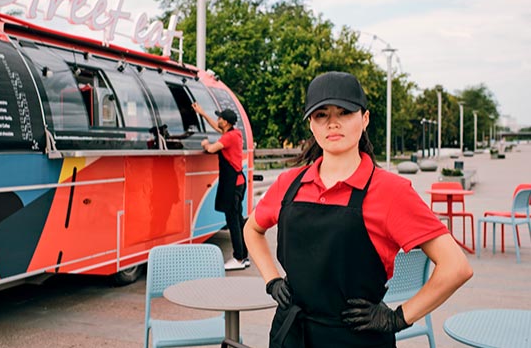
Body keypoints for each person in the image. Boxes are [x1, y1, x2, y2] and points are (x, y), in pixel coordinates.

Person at [243, 71, 473, 347]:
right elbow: (252, 229)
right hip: (291, 333)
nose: (333, 123)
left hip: (356, 338)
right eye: (321, 115)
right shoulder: (288, 183)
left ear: (365, 119)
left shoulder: (391, 191)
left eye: (344, 112)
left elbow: (456, 267)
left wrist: (399, 318)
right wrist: (272, 281)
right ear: (311, 125)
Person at [193, 103, 249, 270]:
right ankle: (244, 257)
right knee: (238, 221)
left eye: (219, 118)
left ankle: (238, 258)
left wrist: (204, 144)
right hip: (238, 183)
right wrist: (202, 113)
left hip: (232, 185)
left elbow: (211, 149)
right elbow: (215, 128)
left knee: (233, 222)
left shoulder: (228, 138)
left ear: (225, 122)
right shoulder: (234, 134)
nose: (217, 119)